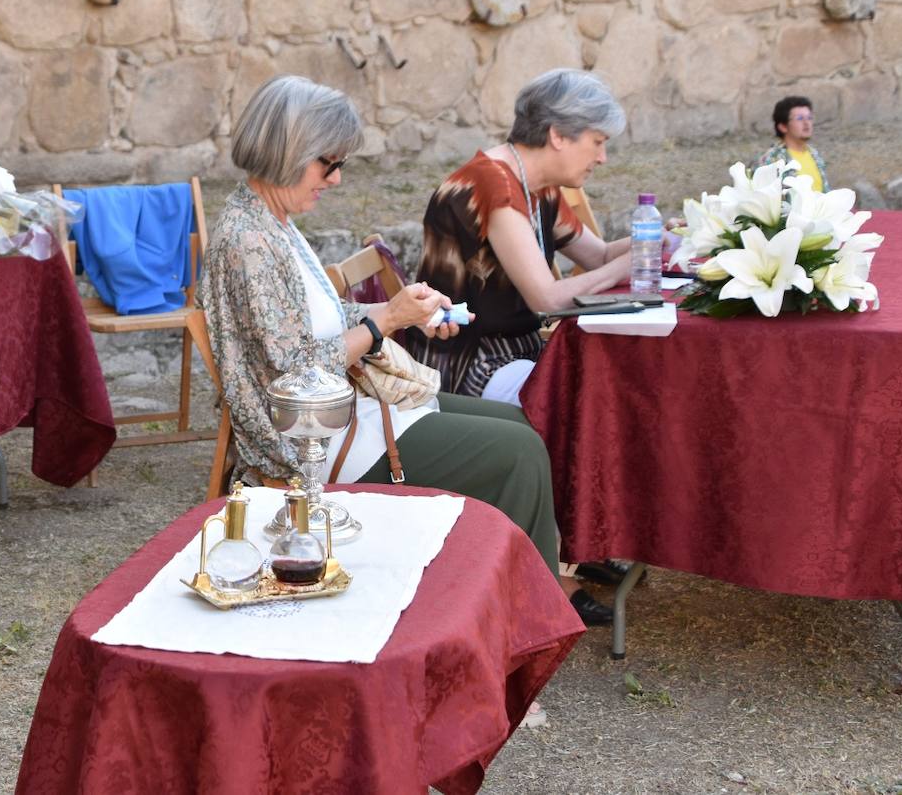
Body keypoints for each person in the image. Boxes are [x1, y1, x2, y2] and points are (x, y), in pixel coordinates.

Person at [197, 74, 612, 631]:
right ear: (289, 151)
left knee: (523, 423)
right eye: (329, 164)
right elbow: (294, 375)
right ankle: (523, 624)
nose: (337, 178)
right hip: (308, 437)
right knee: (517, 451)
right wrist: (387, 320)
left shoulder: (271, 223)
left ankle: (513, 606)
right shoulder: (248, 241)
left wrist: (402, 309)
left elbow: (318, 321)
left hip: (343, 408)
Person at [405, 68, 631, 407]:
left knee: (614, 381)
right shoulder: (492, 183)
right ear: (558, 136)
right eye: (597, 142)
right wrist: (631, 265)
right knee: (599, 400)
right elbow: (548, 299)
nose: (602, 157)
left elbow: (598, 256)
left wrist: (657, 242)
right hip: (467, 365)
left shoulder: (538, 185)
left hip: (516, 351)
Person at [754, 95, 828, 191]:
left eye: (809, 118)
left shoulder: (815, 155)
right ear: (783, 126)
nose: (807, 123)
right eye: (800, 118)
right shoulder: (772, 159)